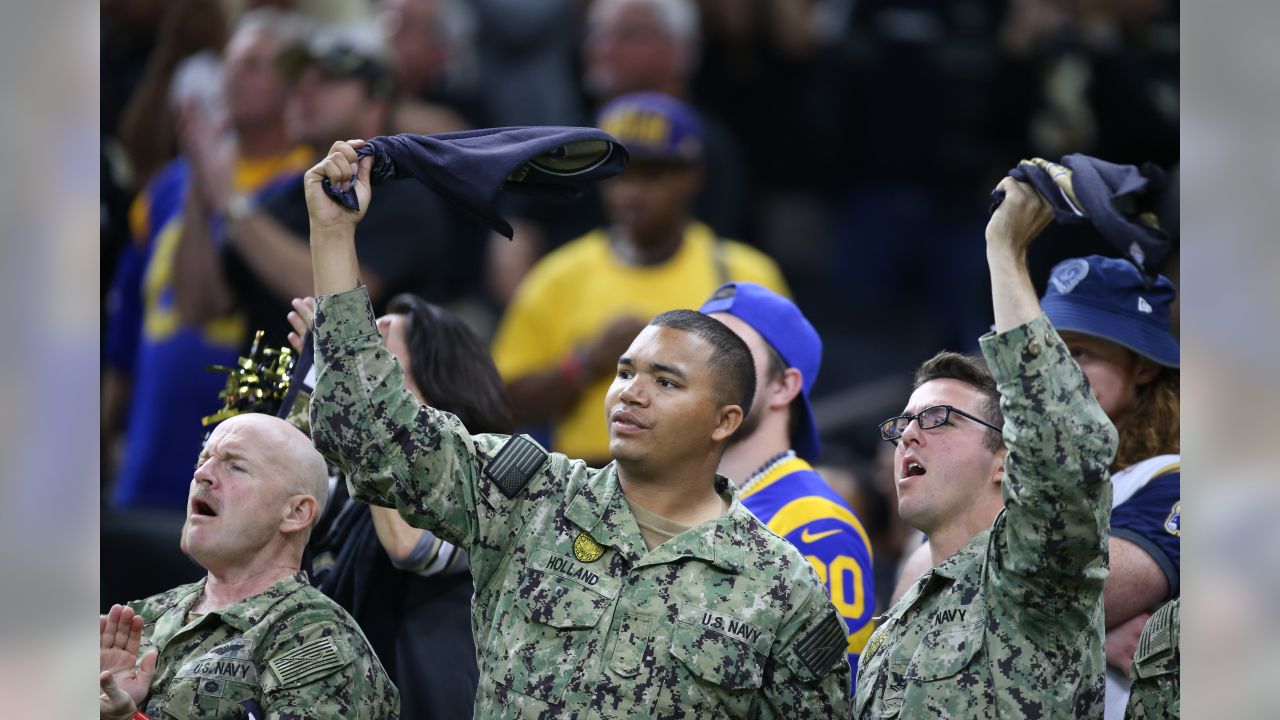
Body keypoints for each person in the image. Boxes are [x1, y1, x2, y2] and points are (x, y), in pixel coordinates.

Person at [303, 139, 851, 717]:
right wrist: (334, 234)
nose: (631, 392)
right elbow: (370, 427)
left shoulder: (779, 584)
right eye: (624, 372)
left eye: (666, 382)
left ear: (726, 421)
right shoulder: (531, 498)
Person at [854, 178, 1117, 717]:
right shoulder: (899, 619)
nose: (909, 433)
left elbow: (1066, 443)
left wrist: (1005, 249)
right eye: (903, 422)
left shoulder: (1032, 572)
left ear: (1006, 457)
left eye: (938, 418)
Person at [889, 253, 1181, 718]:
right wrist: (1093, 636)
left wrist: (1063, 627)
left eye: (1079, 353)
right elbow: (915, 587)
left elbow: (1058, 591)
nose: (1057, 373)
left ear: (1142, 366)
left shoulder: (1170, 479)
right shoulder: (992, 471)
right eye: (1052, 350)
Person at [491, 91, 788, 466]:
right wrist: (585, 362)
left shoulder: (744, 275)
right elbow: (503, 404)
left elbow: (782, 398)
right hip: (587, 489)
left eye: (652, 174)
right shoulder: (558, 275)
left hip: (709, 484)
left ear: (693, 177)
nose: (630, 191)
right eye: (618, 175)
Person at [103, 8, 314, 508]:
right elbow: (133, 316)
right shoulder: (173, 181)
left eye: (256, 65)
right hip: (151, 433)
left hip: (238, 433)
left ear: (294, 86)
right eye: (232, 63)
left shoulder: (311, 182)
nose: (234, 76)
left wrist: (227, 200)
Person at [171, 27, 481, 351]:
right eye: (298, 82)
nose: (303, 93)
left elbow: (336, 300)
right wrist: (199, 188)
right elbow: (198, 306)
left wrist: (232, 204)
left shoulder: (406, 199)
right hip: (268, 401)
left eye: (326, 81)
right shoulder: (279, 198)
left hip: (358, 398)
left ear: (374, 104)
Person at [284, 292, 505, 719]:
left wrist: (357, 397)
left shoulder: (485, 475)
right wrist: (312, 386)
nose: (356, 351)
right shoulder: (351, 487)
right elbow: (268, 517)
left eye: (373, 340)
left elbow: (412, 547)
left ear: (434, 370)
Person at [98, 413, 398, 719]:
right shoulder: (138, 620)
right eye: (203, 460)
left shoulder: (316, 638)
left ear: (295, 513)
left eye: (235, 466)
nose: (203, 474)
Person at [700, 281, 875, 687]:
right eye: (695, 345)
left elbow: (829, 702)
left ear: (784, 385)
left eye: (728, 349)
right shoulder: (688, 496)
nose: (700, 363)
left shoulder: (816, 524)